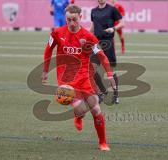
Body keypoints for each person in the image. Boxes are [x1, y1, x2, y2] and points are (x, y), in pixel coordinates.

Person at [42, 4, 116, 151]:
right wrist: (45, 70)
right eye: (68, 20)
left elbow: (101, 55)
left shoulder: (88, 37)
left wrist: (109, 73)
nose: (71, 23)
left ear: (80, 17)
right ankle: (79, 115)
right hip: (66, 80)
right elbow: (48, 50)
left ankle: (103, 143)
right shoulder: (57, 33)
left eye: (74, 20)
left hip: (84, 77)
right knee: (81, 109)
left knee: (96, 110)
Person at [90, 0, 124, 104]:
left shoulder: (112, 9)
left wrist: (113, 28)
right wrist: (85, 35)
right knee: (92, 69)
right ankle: (102, 92)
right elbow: (93, 27)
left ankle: (115, 95)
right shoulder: (93, 11)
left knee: (110, 71)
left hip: (108, 42)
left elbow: (122, 23)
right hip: (96, 43)